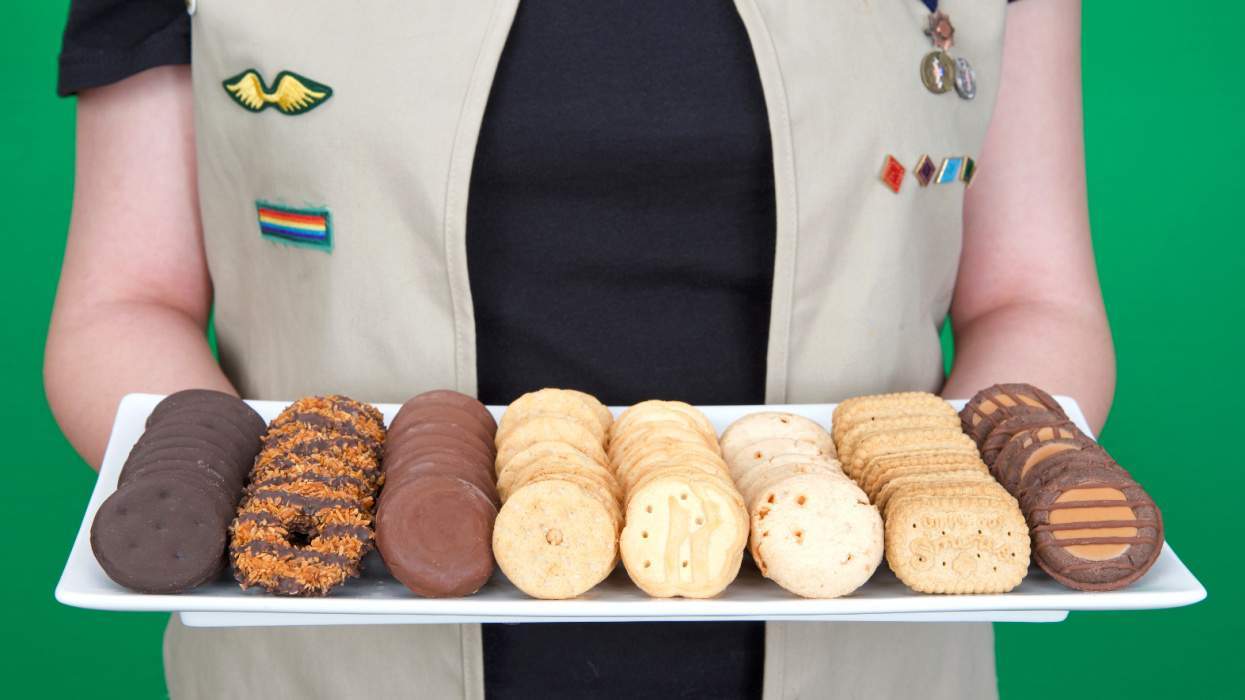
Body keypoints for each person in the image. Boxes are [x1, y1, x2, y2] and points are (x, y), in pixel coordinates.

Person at [46, 0, 1113, 698]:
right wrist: (255, 518)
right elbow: (122, 302)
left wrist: (960, 510)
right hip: (327, 663)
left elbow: (1033, 297)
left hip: (871, 664)